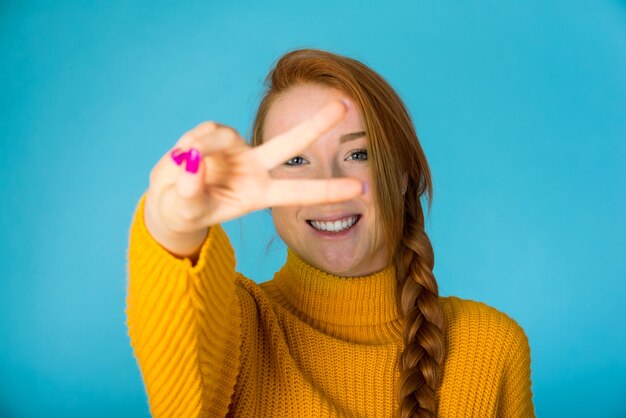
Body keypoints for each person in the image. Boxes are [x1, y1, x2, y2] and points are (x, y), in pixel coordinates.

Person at [126, 48, 535, 417]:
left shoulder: (492, 345)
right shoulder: (237, 327)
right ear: (264, 191)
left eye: (358, 154)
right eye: (295, 160)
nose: (327, 185)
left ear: (404, 174)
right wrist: (174, 227)